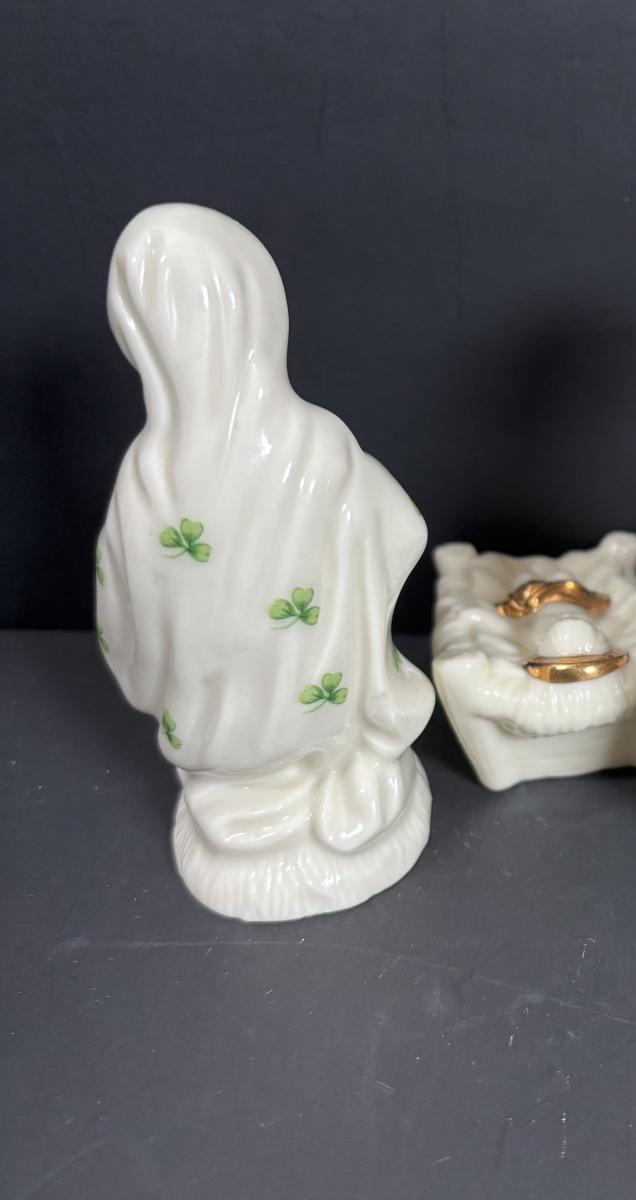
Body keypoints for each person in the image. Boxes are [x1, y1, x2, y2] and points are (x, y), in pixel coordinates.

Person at [96, 204, 435, 921]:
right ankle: (324, 779)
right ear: (263, 311)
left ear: (136, 334)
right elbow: (404, 528)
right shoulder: (316, 443)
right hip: (323, 714)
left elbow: (123, 620)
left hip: (210, 735)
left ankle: (249, 796)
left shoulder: (147, 473)